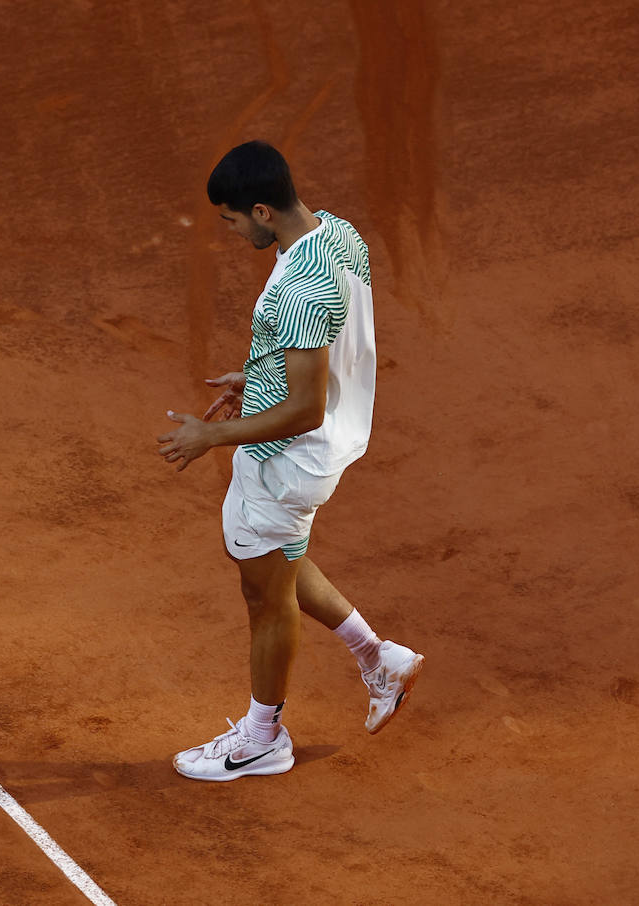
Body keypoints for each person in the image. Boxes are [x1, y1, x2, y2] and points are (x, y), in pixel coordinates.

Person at [157, 140, 423, 782]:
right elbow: (315, 355)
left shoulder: (297, 291)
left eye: (231, 220)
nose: (230, 231)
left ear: (261, 210)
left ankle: (262, 738)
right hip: (318, 439)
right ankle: (378, 656)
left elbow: (303, 408)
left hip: (290, 454)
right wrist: (255, 375)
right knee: (273, 561)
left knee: (264, 596)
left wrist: (210, 438)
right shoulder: (339, 236)